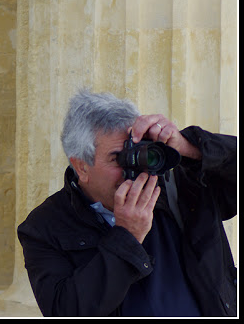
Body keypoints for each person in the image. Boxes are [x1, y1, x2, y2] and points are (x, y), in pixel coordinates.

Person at [17, 89, 237, 317]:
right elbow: (66, 311)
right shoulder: (43, 227)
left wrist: (192, 148)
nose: (133, 168)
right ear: (81, 167)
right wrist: (127, 236)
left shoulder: (181, 182)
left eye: (137, 151)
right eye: (117, 158)